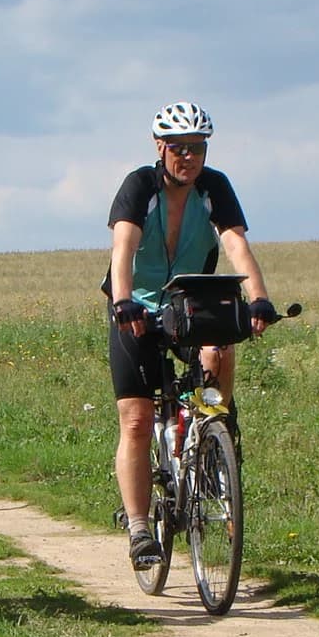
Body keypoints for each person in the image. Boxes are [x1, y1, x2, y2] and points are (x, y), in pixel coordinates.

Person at [105, 101, 278, 569]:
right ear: (160, 147)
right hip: (137, 308)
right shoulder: (140, 185)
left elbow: (235, 241)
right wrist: (123, 300)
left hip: (192, 302)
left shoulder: (214, 187)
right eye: (179, 148)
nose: (189, 157)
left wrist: (259, 298)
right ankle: (140, 527)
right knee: (137, 420)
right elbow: (124, 245)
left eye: (197, 148)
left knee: (218, 353)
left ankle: (216, 441)